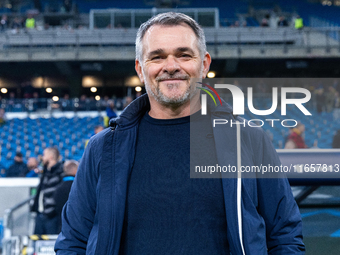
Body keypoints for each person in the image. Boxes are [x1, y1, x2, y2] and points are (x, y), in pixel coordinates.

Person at [55, 12, 305, 254]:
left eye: (184, 55)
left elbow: (284, 235)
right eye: (157, 57)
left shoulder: (249, 140)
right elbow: (73, 240)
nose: (171, 66)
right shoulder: (103, 148)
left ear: (204, 64)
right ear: (140, 69)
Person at [32, 147, 64, 234]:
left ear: (50, 157)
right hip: (40, 215)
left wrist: (52, 211)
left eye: (44, 155)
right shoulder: (45, 172)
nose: (42, 158)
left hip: (53, 216)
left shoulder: (60, 172)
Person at [54, 160, 78, 232]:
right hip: (76, 226)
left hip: (61, 225)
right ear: (75, 171)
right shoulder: (79, 188)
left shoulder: (58, 188)